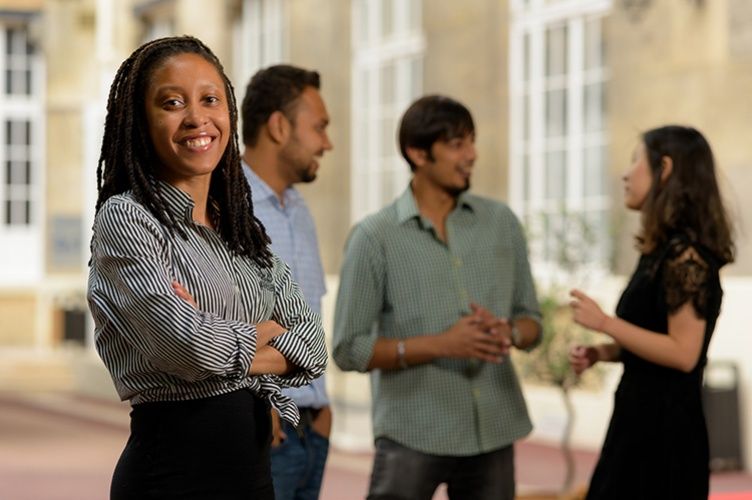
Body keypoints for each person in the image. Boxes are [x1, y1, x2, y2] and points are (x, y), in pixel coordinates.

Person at [87, 36, 327, 500]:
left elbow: (313, 345)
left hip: (252, 478)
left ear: (229, 112)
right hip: (172, 478)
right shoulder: (127, 218)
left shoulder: (240, 230)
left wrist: (214, 332)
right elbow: (188, 348)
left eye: (210, 99)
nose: (197, 118)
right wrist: (261, 332)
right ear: (142, 121)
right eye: (172, 102)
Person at [332, 95, 542, 500]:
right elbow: (348, 349)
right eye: (457, 144)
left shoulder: (501, 224)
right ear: (418, 153)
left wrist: (511, 332)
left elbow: (532, 322)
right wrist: (442, 345)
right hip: (412, 434)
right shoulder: (374, 238)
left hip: (494, 430)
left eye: (472, 142)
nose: (472, 155)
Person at [568, 125, 735, 499]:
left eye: (634, 162)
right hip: (636, 423)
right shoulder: (660, 252)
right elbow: (653, 340)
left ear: (665, 168)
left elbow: (682, 353)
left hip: (666, 437)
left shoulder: (685, 257)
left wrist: (606, 323)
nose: (625, 174)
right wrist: (603, 352)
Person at [240, 64, 333, 500]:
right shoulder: (224, 208)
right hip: (263, 438)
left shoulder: (301, 211)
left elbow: (308, 319)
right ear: (279, 126)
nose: (327, 143)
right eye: (319, 127)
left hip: (312, 434)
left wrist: (321, 407)